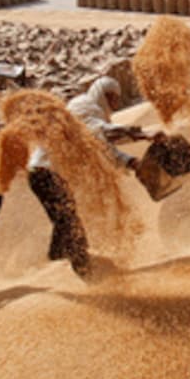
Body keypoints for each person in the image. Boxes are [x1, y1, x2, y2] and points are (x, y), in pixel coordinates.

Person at [26, 77, 148, 278]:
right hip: (45, 172)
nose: (116, 104)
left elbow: (102, 147)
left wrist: (131, 161)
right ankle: (76, 268)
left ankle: (73, 262)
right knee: (69, 223)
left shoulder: (92, 112)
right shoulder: (84, 106)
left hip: (49, 174)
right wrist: (139, 133)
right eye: (114, 98)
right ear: (104, 94)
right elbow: (99, 131)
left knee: (69, 221)